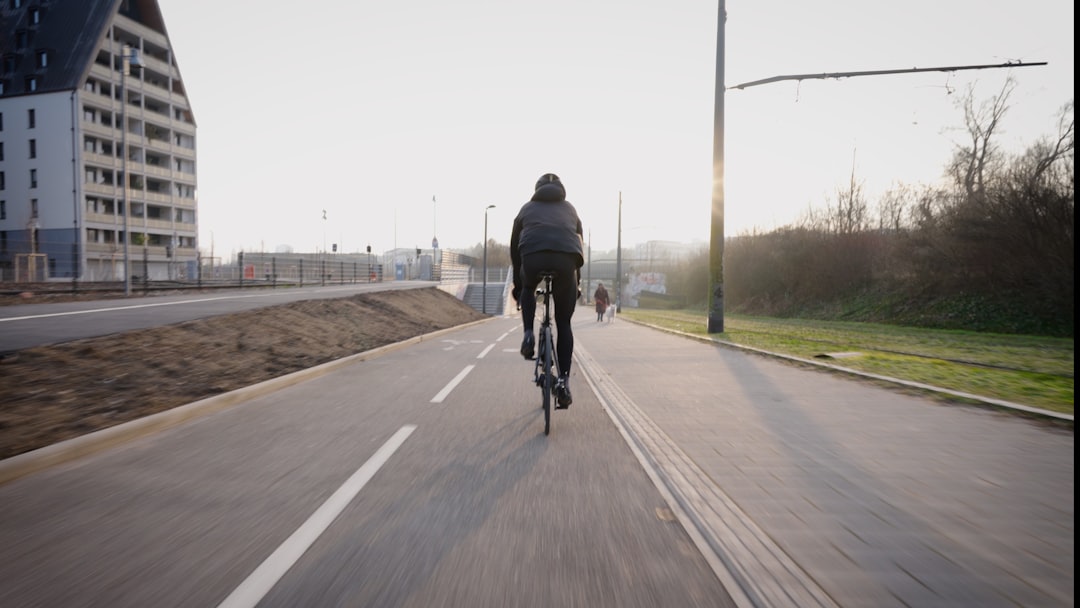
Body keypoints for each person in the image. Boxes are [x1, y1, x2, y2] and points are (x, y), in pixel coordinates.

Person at [510, 173, 584, 408]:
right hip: (566, 262)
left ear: (536, 189)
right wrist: (577, 283)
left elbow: (514, 249)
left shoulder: (526, 209)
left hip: (532, 258)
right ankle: (563, 382)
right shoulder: (571, 209)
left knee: (530, 287)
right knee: (564, 323)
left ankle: (528, 335)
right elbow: (579, 247)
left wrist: (520, 286)